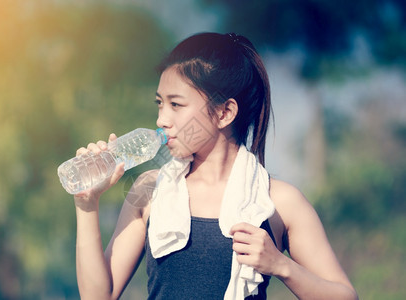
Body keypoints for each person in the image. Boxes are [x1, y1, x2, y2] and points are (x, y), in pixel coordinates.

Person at [72, 32, 358, 300]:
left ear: (224, 113)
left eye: (176, 105)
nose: (161, 120)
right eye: (160, 103)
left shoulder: (278, 201)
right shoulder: (149, 189)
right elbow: (98, 295)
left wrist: (281, 265)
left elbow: (345, 295)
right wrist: (87, 204)